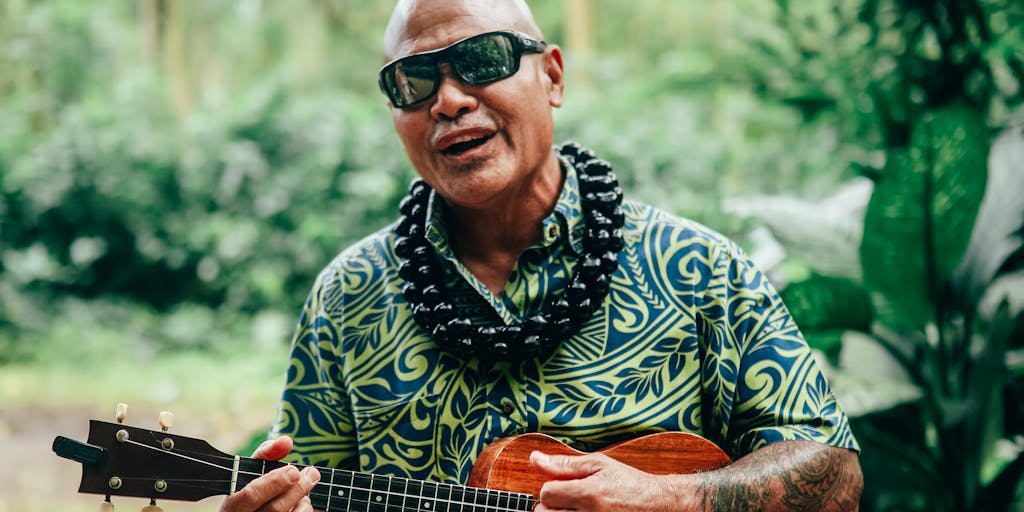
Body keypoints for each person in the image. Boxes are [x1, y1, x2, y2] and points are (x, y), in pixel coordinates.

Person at [221, 0, 864, 510]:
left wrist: (670, 497)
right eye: (414, 80)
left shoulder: (699, 269)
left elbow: (833, 475)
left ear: (552, 76)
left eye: (481, 59)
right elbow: (309, 487)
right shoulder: (349, 296)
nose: (448, 100)